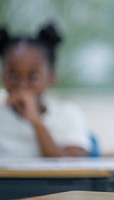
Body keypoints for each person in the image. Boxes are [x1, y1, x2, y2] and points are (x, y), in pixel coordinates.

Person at [0, 22, 91, 157]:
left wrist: (36, 121)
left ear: (51, 76)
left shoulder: (67, 114)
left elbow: (73, 165)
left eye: (33, 77)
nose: (22, 86)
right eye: (13, 76)